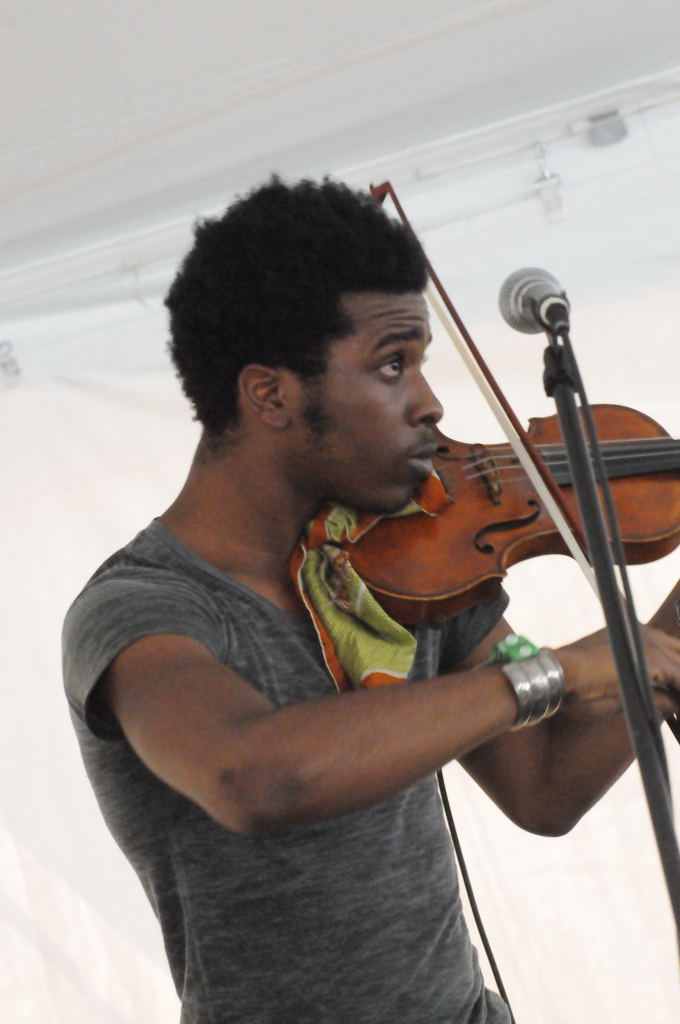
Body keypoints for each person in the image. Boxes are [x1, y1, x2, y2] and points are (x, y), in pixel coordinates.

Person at [62, 177, 680, 1024]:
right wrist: (551, 674)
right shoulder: (142, 609)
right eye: (393, 365)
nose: (430, 403)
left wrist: (659, 634)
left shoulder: (404, 560)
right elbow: (253, 775)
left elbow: (543, 788)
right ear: (270, 395)